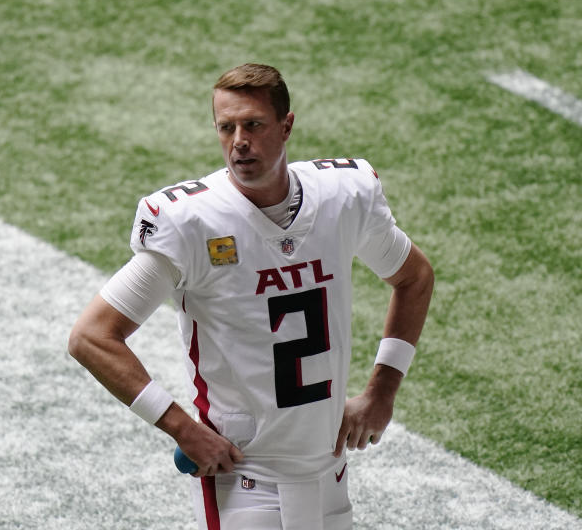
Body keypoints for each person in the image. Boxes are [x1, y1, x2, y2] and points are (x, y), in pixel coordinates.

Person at [68, 63, 434, 530]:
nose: (239, 140)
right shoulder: (191, 223)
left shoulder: (343, 196)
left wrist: (383, 390)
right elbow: (92, 337)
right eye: (227, 127)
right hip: (246, 478)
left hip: (331, 473)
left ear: (286, 126)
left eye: (253, 125)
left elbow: (414, 278)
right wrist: (180, 425)